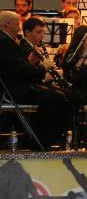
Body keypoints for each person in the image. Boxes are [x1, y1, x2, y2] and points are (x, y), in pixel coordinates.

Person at [0, 11, 69, 149]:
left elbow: (18, 69)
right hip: (14, 91)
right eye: (17, 24)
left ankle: (40, 140)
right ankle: (42, 142)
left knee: (58, 95)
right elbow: (22, 73)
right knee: (56, 98)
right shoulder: (5, 42)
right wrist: (43, 68)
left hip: (15, 87)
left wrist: (30, 62)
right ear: (6, 24)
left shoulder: (6, 41)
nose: (19, 28)